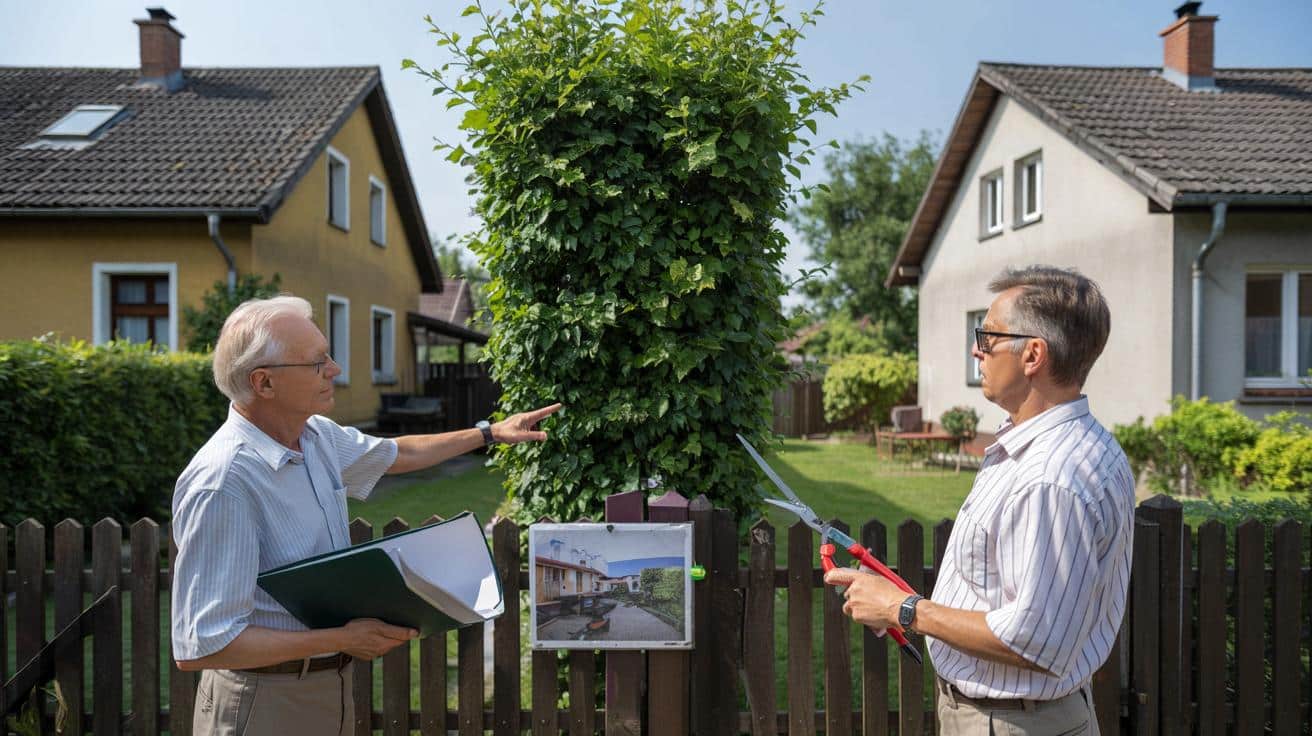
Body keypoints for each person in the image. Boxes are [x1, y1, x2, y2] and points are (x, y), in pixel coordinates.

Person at [170, 295, 560, 735]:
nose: (334, 369)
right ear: (264, 383)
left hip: (328, 686)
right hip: (263, 701)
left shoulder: (314, 436)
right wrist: (341, 639)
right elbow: (203, 644)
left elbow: (399, 452)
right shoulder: (224, 480)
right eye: (317, 362)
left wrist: (490, 432)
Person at [824, 265, 1134, 735]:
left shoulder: (1050, 477)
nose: (977, 349)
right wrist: (892, 596)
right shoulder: (1069, 445)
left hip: (1011, 725)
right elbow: (1004, 593)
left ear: (1033, 355)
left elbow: (1035, 642)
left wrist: (904, 611)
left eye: (987, 336)